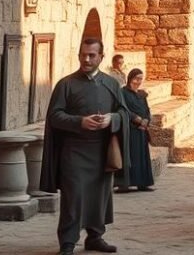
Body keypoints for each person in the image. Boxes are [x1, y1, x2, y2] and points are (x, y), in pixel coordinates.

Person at [40, 38, 130, 255]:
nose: (87, 59)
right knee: (73, 197)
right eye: (83, 54)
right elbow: (54, 116)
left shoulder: (112, 84)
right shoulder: (66, 84)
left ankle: (95, 237)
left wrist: (112, 119)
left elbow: (124, 113)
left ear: (101, 57)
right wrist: (79, 122)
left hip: (102, 151)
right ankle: (68, 243)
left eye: (92, 55)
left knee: (100, 197)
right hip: (74, 150)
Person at [116, 69, 155, 193]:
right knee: (130, 155)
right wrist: (137, 119)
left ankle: (142, 183)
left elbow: (147, 109)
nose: (138, 81)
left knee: (142, 156)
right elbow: (123, 109)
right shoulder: (123, 92)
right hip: (130, 129)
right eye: (136, 78)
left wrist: (146, 121)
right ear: (130, 78)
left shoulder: (142, 94)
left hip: (142, 129)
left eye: (140, 79)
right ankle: (125, 184)